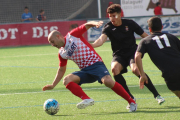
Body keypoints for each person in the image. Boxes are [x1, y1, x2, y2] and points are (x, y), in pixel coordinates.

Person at [42, 21, 137, 112]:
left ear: (58, 36)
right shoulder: (61, 53)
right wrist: (53, 85)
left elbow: (86, 25)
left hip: (96, 64)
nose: (52, 45)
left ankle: (131, 101)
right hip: (85, 71)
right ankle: (86, 99)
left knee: (108, 81)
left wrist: (95, 24)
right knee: (67, 80)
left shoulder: (72, 35)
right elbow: (61, 70)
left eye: (52, 41)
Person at [91, 4, 165, 109]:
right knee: (114, 69)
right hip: (119, 55)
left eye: (114, 15)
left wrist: (157, 43)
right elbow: (101, 40)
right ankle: (130, 98)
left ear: (120, 15)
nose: (112, 18)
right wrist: (91, 45)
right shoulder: (108, 27)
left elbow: (145, 36)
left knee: (136, 70)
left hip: (132, 52)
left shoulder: (130, 23)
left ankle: (157, 95)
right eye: (110, 16)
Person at [135, 16, 180, 99]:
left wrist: (142, 75)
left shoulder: (145, 41)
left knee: (177, 91)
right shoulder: (172, 37)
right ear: (162, 27)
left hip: (170, 73)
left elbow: (137, 56)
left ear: (149, 29)